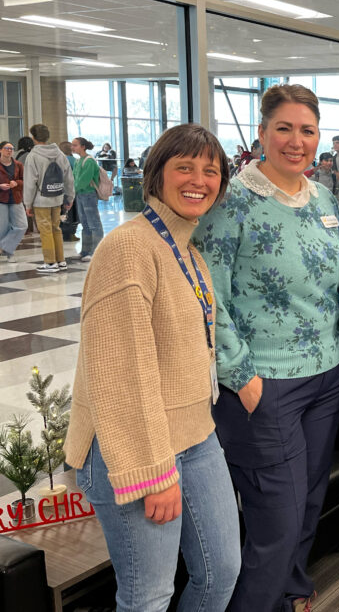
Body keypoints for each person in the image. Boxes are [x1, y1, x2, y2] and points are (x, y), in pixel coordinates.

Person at [63, 124, 240, 612]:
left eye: (211, 170)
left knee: (222, 571)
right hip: (135, 446)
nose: (198, 180)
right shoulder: (128, 248)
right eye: (184, 167)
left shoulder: (187, 251)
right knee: (148, 595)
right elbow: (121, 371)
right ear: (155, 175)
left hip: (195, 435)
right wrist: (153, 472)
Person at [193, 84, 339, 612]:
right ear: (261, 133)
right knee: (275, 522)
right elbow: (207, 294)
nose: (296, 141)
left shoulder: (323, 196)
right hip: (265, 384)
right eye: (284, 128)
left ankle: (293, 593)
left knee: (307, 505)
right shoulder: (231, 201)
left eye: (307, 130)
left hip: (328, 375)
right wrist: (242, 376)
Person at [22, 124, 74, 274]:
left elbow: (30, 182)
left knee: (45, 229)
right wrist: (70, 197)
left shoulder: (33, 156)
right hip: (57, 197)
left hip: (41, 199)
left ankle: (50, 262)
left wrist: (28, 203)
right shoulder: (59, 154)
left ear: (34, 137)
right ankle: (61, 260)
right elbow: (69, 178)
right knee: (55, 228)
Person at [71, 137, 105, 262]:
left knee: (94, 223)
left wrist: (72, 190)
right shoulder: (77, 161)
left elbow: (84, 181)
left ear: (83, 146)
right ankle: (85, 251)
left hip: (89, 195)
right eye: (72, 145)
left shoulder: (89, 161)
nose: (72, 147)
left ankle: (95, 251)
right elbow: (75, 178)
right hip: (80, 195)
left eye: (75, 145)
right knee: (85, 224)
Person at [0, 141, 27, 262]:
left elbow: (24, 180)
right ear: (1, 150)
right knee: (3, 227)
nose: (9, 150)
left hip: (15, 198)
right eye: (6, 148)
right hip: (1, 199)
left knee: (22, 225)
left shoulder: (18, 165)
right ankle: (9, 253)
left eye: (11, 148)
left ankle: (3, 247)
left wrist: (17, 183)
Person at [58, 141, 80, 244]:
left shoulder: (61, 160)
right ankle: (72, 233)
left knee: (64, 212)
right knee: (73, 213)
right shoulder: (75, 160)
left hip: (63, 190)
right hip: (74, 190)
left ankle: (64, 233)